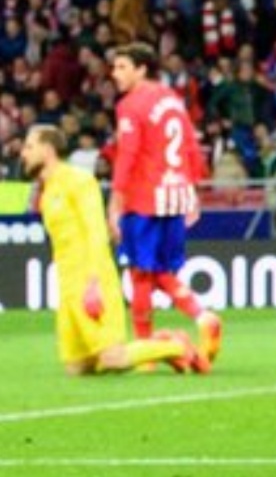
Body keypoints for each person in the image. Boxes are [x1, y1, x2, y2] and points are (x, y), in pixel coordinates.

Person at [23, 124, 208, 377]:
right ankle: (159, 344)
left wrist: (94, 282)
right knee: (77, 368)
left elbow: (96, 232)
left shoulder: (78, 180)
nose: (23, 153)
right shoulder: (47, 193)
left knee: (113, 358)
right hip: (67, 286)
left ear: (47, 149)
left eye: (29, 147)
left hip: (91, 279)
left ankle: (175, 347)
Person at [108, 42, 224, 366]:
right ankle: (202, 318)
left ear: (141, 69)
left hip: (144, 197)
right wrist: (193, 189)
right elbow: (190, 145)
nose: (114, 74)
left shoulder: (131, 105)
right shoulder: (172, 100)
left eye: (121, 67)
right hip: (175, 194)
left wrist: (115, 199)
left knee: (140, 272)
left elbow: (128, 153)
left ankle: (145, 352)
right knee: (159, 270)